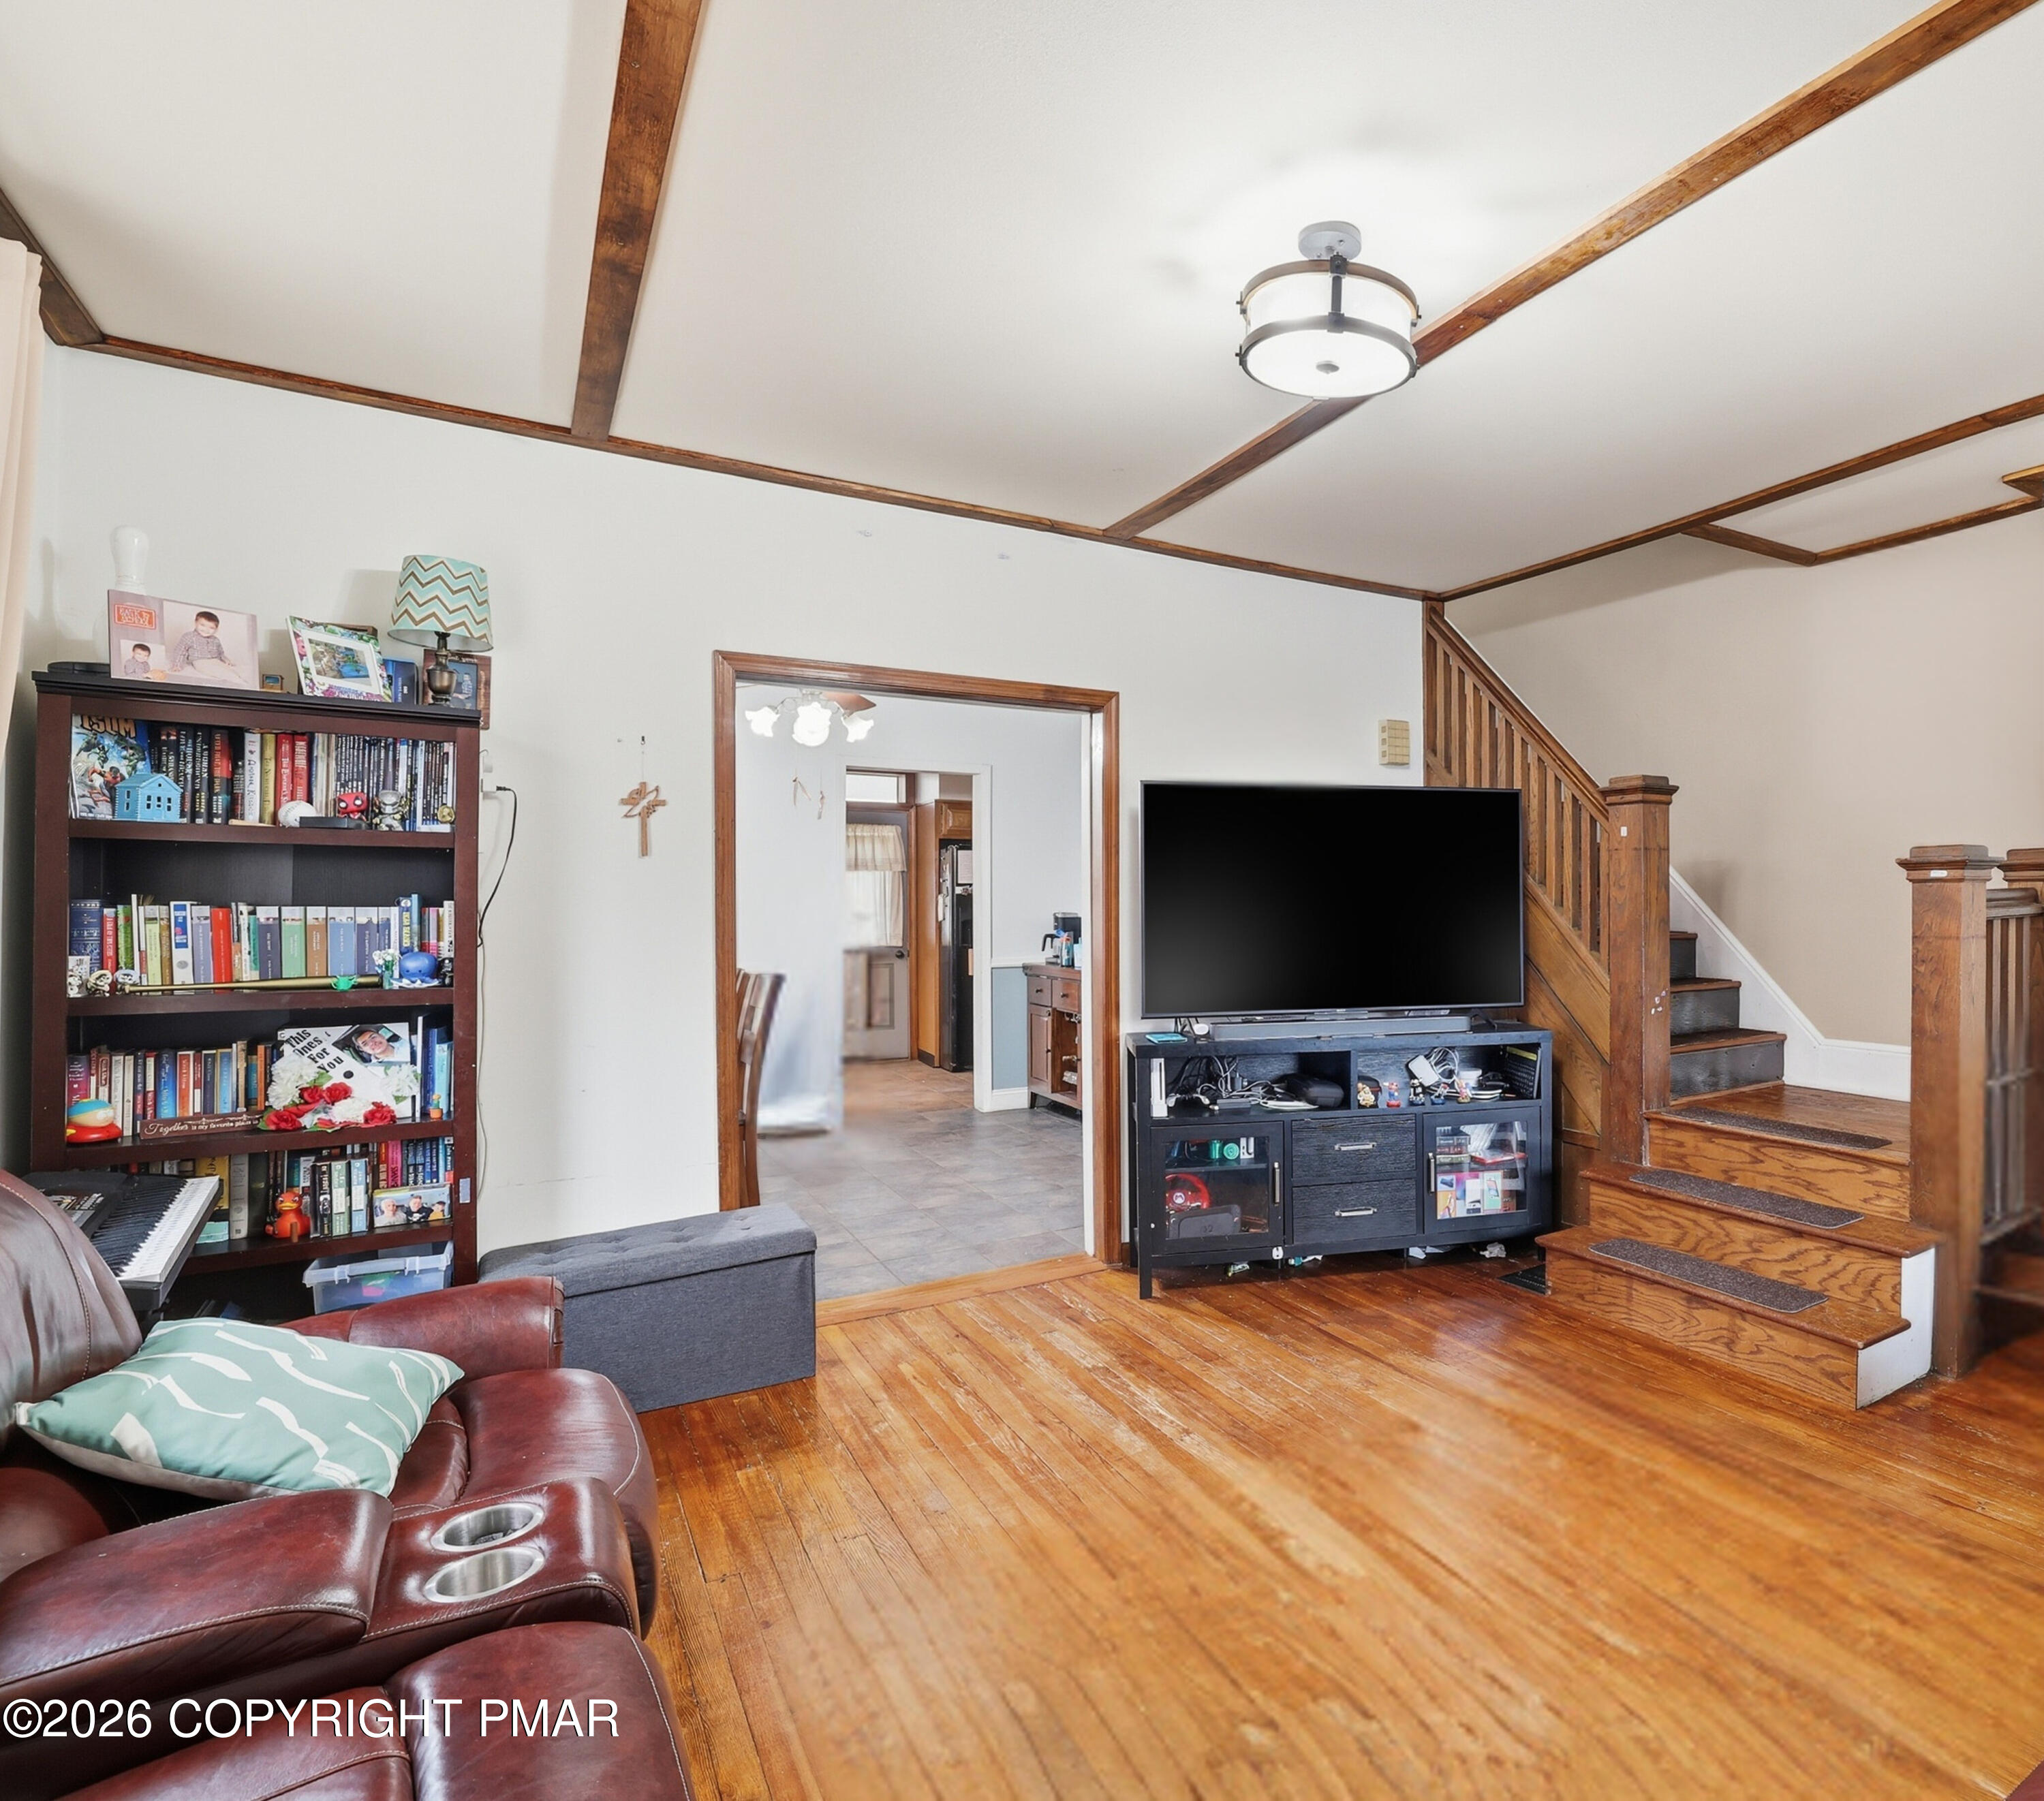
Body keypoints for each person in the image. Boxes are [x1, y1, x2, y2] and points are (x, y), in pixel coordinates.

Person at [167, 610, 238, 676]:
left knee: (230, 670)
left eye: (211, 628)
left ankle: (238, 679)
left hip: (214, 660)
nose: (206, 630)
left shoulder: (216, 640)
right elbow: (180, 651)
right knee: (212, 671)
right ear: (195, 623)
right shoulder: (189, 636)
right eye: (202, 625)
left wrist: (225, 660)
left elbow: (220, 653)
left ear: (216, 629)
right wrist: (177, 665)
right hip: (199, 661)